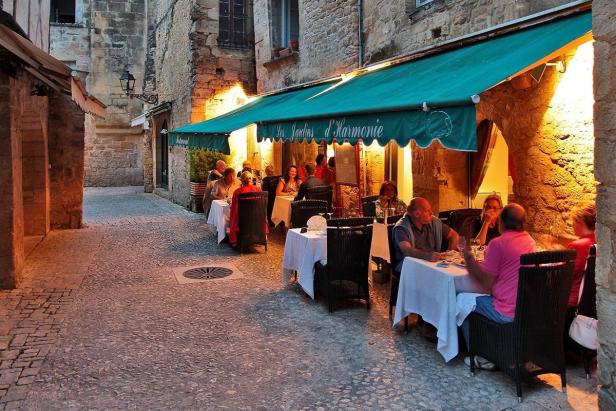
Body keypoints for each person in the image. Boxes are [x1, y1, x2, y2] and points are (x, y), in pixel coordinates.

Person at [460, 203, 536, 369]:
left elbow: (486, 284)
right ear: (523, 223)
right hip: (525, 309)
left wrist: (468, 257)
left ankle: (480, 357)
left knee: (462, 300)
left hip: (506, 311)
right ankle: (494, 349)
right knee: (475, 299)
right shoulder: (529, 240)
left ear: (501, 222)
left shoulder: (498, 244)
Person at [392, 197, 459, 272]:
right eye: (427, 210)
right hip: (409, 266)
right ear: (417, 214)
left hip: (432, 264)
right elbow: (407, 250)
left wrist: (448, 255)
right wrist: (426, 255)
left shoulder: (433, 222)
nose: (431, 213)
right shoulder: (401, 227)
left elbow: (454, 236)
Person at [566, 203, 596, 308]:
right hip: (590, 301)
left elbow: (567, 275)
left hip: (572, 301)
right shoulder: (598, 241)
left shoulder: (576, 246)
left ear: (581, 222)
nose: (572, 225)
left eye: (574, 221)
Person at [228, 171, 266, 246]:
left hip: (243, 219)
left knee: (233, 216)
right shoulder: (258, 190)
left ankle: (235, 240)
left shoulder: (237, 192)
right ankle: (257, 238)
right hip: (257, 218)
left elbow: (234, 209)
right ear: (251, 179)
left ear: (241, 180)